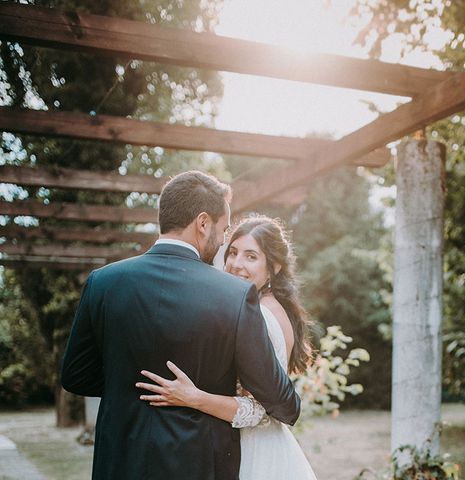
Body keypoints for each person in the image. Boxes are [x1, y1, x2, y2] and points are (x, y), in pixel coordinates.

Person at [61, 172, 300, 480]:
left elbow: (75, 377)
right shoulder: (235, 295)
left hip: (119, 461)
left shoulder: (103, 282)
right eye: (223, 229)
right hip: (198, 464)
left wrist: (130, 382)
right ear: (203, 223)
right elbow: (283, 404)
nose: (222, 241)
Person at [136, 216, 318, 480]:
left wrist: (192, 397)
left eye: (251, 257)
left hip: (254, 453)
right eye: (233, 252)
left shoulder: (261, 316)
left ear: (274, 267)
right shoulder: (273, 306)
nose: (236, 264)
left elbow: (258, 411)